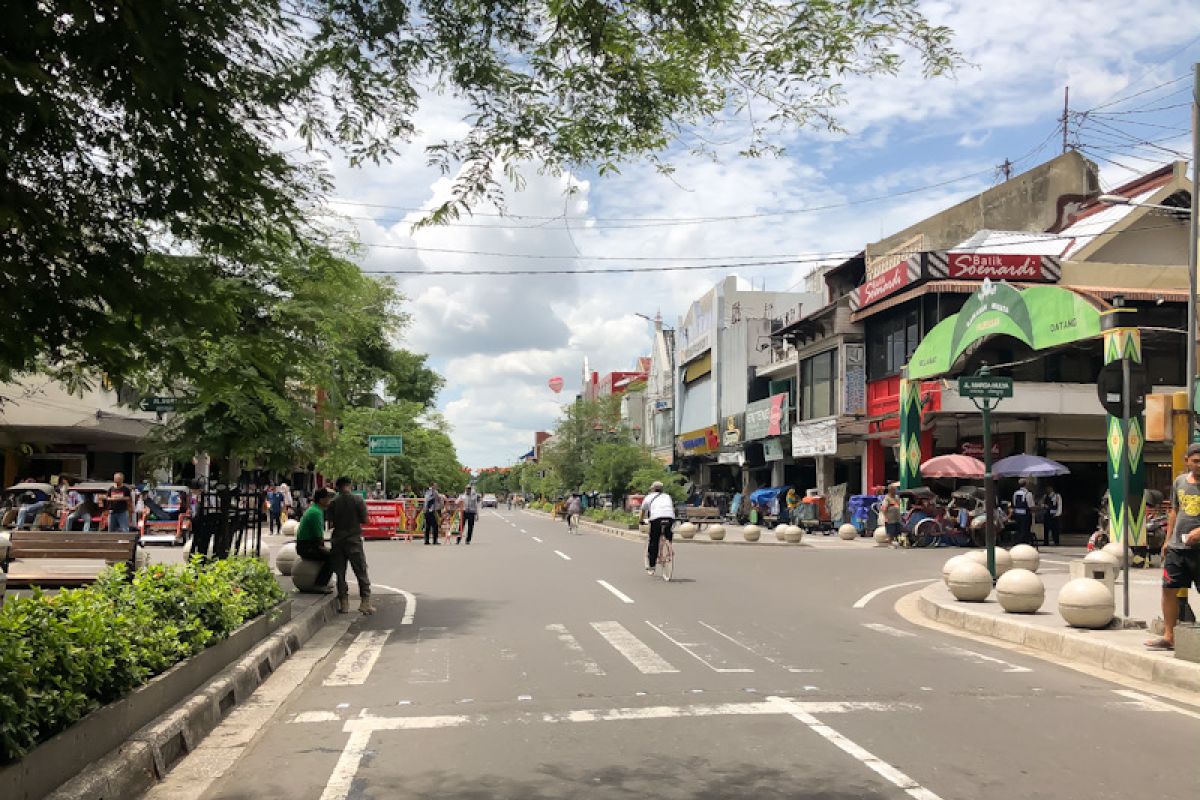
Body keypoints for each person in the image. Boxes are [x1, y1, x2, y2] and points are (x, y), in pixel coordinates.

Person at [1145, 444, 1200, 650]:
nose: (1199, 464)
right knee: (1169, 589)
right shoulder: (1180, 482)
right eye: (1195, 460)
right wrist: (1168, 540)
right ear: (1187, 461)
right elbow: (1175, 511)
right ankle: (1169, 636)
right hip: (1178, 548)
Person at [327, 476, 373, 615]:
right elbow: (366, 520)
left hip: (338, 541)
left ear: (337, 486)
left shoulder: (333, 502)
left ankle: (344, 604)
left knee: (340, 574)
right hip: (353, 540)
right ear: (350, 485)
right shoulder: (358, 500)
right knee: (360, 570)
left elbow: (330, 522)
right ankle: (365, 602)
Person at [294, 488, 335, 593]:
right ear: (321, 500)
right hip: (307, 547)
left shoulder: (315, 509)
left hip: (306, 545)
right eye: (328, 498)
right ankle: (319, 585)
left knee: (330, 554)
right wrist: (326, 549)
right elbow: (319, 538)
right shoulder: (316, 513)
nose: (330, 501)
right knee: (332, 557)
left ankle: (323, 582)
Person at [639, 481, 675, 576]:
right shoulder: (667, 496)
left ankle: (652, 566)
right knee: (668, 533)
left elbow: (643, 510)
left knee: (654, 541)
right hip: (669, 517)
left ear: (653, 489)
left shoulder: (649, 497)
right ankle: (670, 547)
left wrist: (641, 520)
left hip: (656, 519)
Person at [1011, 479, 1035, 546]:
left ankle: (1018, 542)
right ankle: (1024, 543)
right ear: (1026, 484)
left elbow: (1014, 503)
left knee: (1019, 529)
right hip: (1025, 514)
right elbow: (1031, 506)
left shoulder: (1015, 493)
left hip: (1017, 514)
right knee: (1025, 529)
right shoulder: (1028, 493)